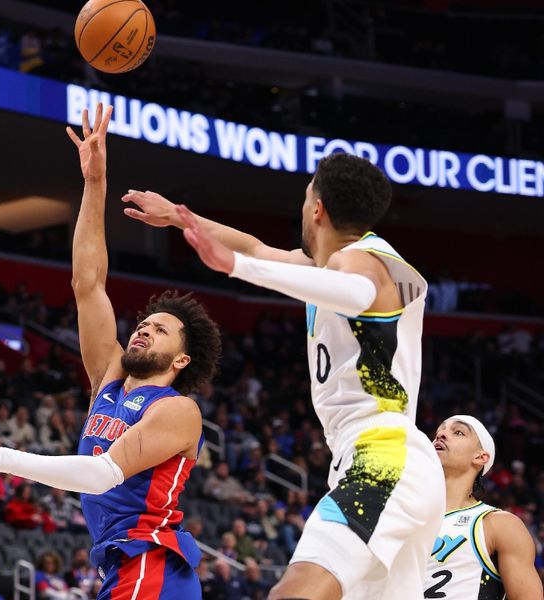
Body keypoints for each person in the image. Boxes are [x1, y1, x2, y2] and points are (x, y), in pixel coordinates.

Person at [0, 104, 222, 600]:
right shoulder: (109, 378)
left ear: (181, 360)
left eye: (160, 331)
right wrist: (94, 183)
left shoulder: (179, 412)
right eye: (143, 323)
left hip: (150, 563)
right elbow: (88, 283)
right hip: (121, 565)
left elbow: (101, 476)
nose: (143, 331)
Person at [124, 152, 444, 599]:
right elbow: (255, 247)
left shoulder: (363, 261)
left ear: (317, 209)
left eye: (305, 196)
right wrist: (181, 218)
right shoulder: (328, 265)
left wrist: (238, 269)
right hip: (385, 459)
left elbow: (357, 291)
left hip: (385, 458)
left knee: (293, 593)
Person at [425, 415, 542, 599]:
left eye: (458, 432)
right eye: (439, 431)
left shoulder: (497, 524)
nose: (441, 435)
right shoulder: (406, 517)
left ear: (481, 457)